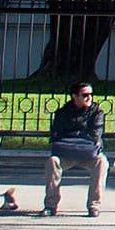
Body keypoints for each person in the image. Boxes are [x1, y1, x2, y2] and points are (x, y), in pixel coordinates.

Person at [43, 83, 108, 217]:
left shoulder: (96, 112)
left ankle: (94, 205)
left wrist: (72, 136)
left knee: (101, 162)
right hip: (67, 155)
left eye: (91, 94)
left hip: (88, 155)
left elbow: (95, 135)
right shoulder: (63, 113)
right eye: (85, 95)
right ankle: (50, 205)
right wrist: (79, 136)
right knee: (52, 161)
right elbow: (56, 135)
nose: (89, 98)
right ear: (74, 96)